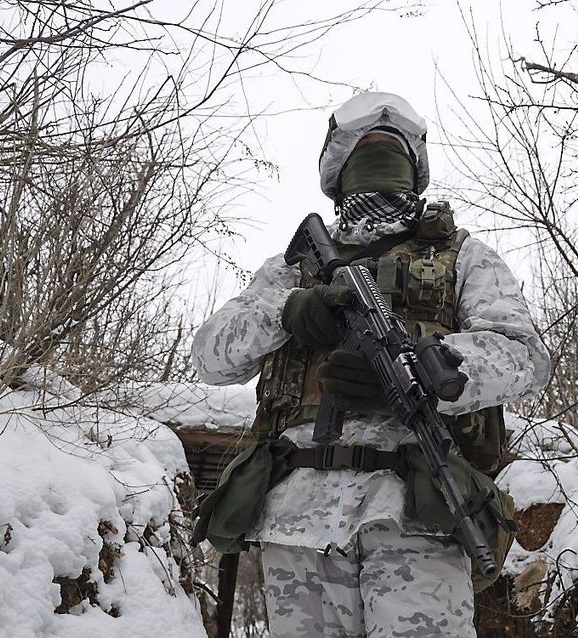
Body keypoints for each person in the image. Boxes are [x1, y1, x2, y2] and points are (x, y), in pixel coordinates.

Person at [191, 92, 550, 637]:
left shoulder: (463, 256)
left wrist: (428, 371)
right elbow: (211, 358)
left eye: (391, 153)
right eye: (366, 152)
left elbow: (525, 357)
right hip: (297, 515)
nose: (379, 167)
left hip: (415, 509)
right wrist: (290, 310)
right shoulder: (291, 269)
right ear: (338, 169)